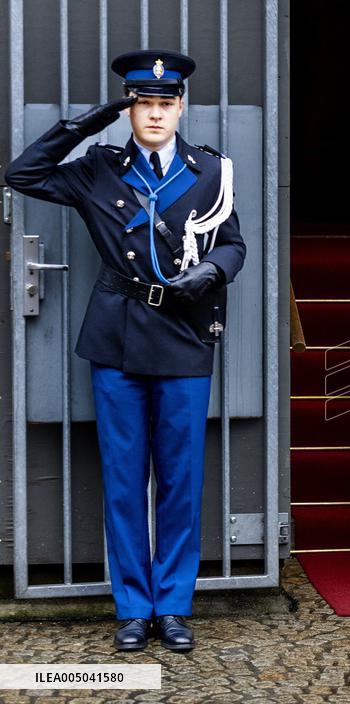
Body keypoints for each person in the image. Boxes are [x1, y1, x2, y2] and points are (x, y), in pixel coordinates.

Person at [5, 49, 246, 651]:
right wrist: (86, 123)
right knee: (122, 479)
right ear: (129, 110)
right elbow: (22, 174)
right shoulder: (99, 168)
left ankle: (174, 606)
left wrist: (213, 272)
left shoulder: (210, 171)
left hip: (184, 338)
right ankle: (134, 607)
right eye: (144, 104)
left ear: (182, 107)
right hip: (116, 338)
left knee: (180, 480)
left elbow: (234, 242)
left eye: (166, 104)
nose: (156, 115)